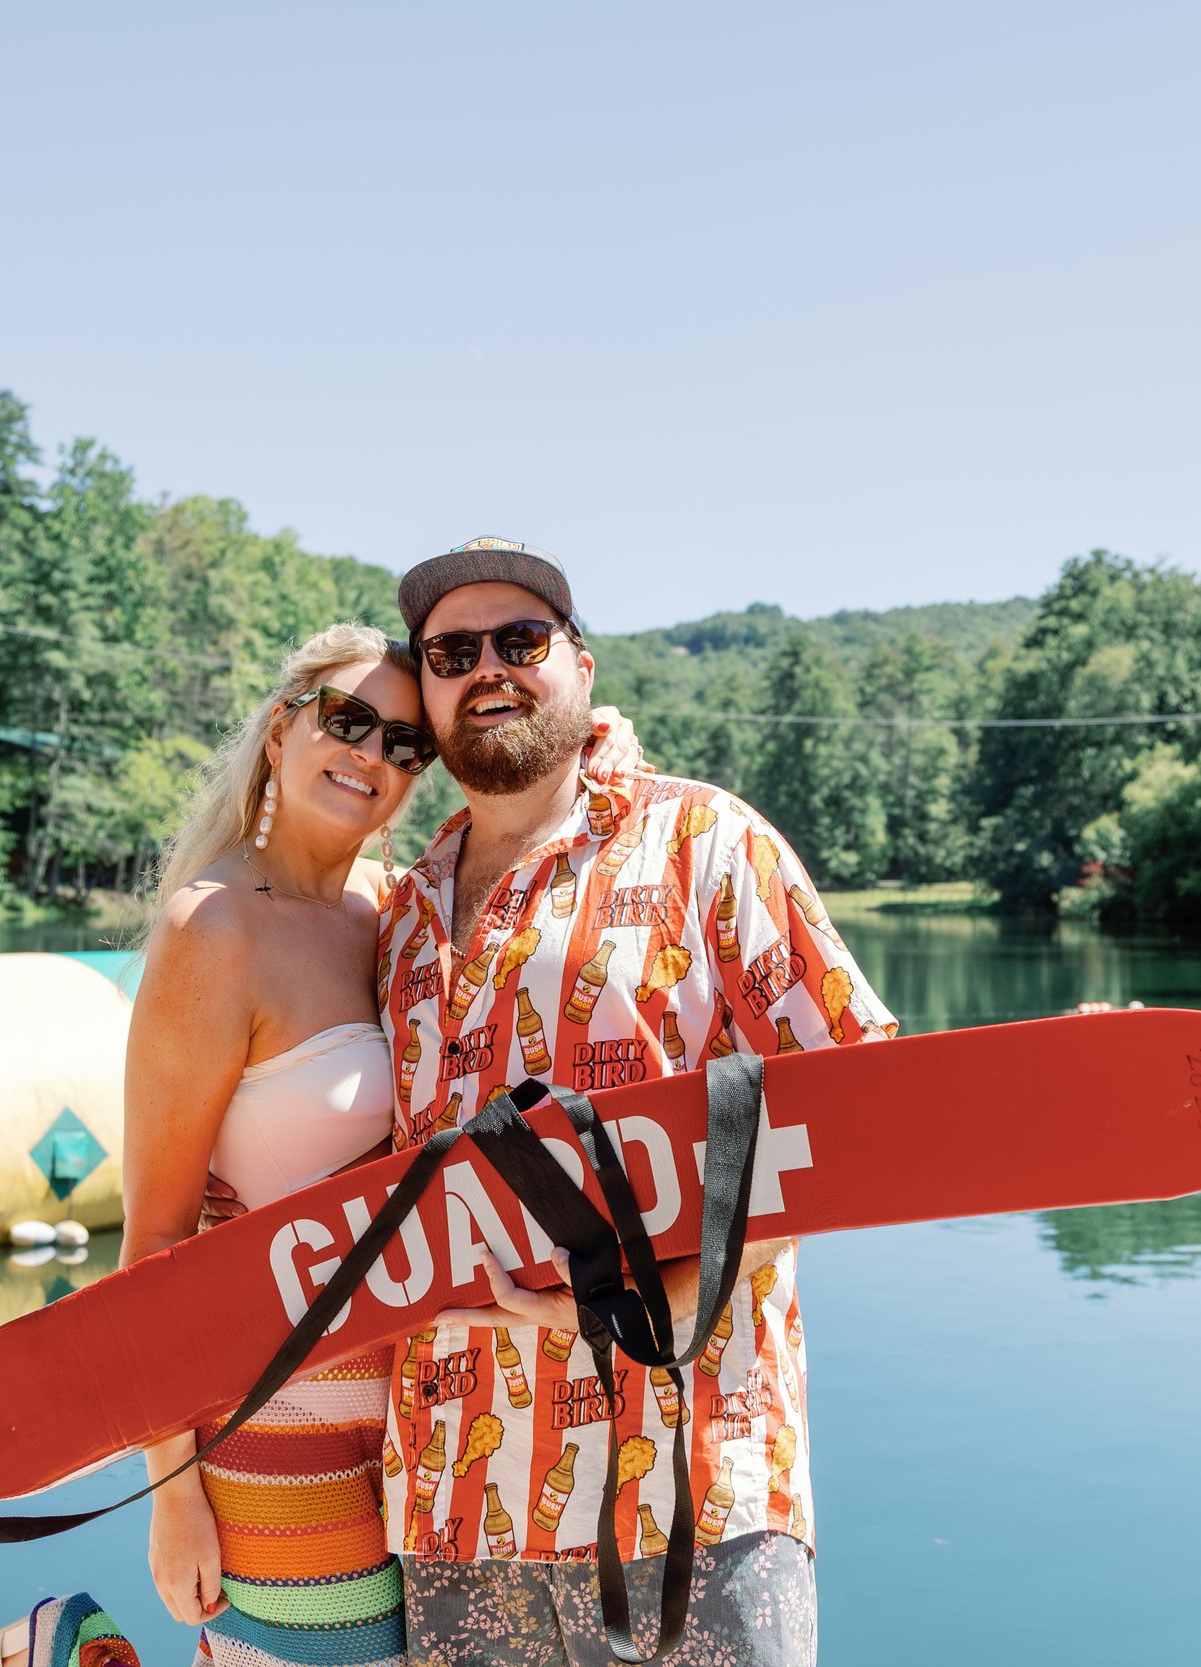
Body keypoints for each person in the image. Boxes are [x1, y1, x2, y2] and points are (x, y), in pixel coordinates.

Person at [375, 537, 897, 1667]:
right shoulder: (401, 917)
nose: (488, 668)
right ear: (423, 689)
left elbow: (866, 1111)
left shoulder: (708, 843)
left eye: (521, 640)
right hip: (449, 1499)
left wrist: (655, 1293)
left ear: (582, 665)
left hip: (690, 1493)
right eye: (451, 650)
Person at [120, 621, 642, 1667]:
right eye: (347, 720)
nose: (371, 754)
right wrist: (170, 1491)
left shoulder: (393, 910)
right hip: (277, 1414)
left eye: (406, 743)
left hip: (428, 1408)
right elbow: (154, 1241)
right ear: (282, 729)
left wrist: (590, 746)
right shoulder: (212, 926)